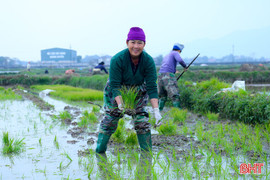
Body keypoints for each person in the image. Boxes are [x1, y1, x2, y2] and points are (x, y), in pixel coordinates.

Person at [96, 27, 162, 154]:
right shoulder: (117, 59)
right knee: (110, 120)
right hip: (116, 91)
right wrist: (120, 104)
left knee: (142, 121)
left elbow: (152, 87)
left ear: (144, 44)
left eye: (139, 43)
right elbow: (115, 86)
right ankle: (99, 152)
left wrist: (156, 110)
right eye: (133, 42)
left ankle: (147, 155)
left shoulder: (148, 61)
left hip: (137, 91)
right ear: (127, 43)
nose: (136, 46)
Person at [158, 43, 187, 111]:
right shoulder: (175, 53)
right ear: (179, 50)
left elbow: (166, 66)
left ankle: (159, 111)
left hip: (160, 75)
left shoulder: (167, 55)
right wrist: (185, 66)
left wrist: (174, 71)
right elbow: (180, 60)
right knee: (175, 94)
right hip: (168, 75)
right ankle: (178, 111)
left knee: (162, 96)